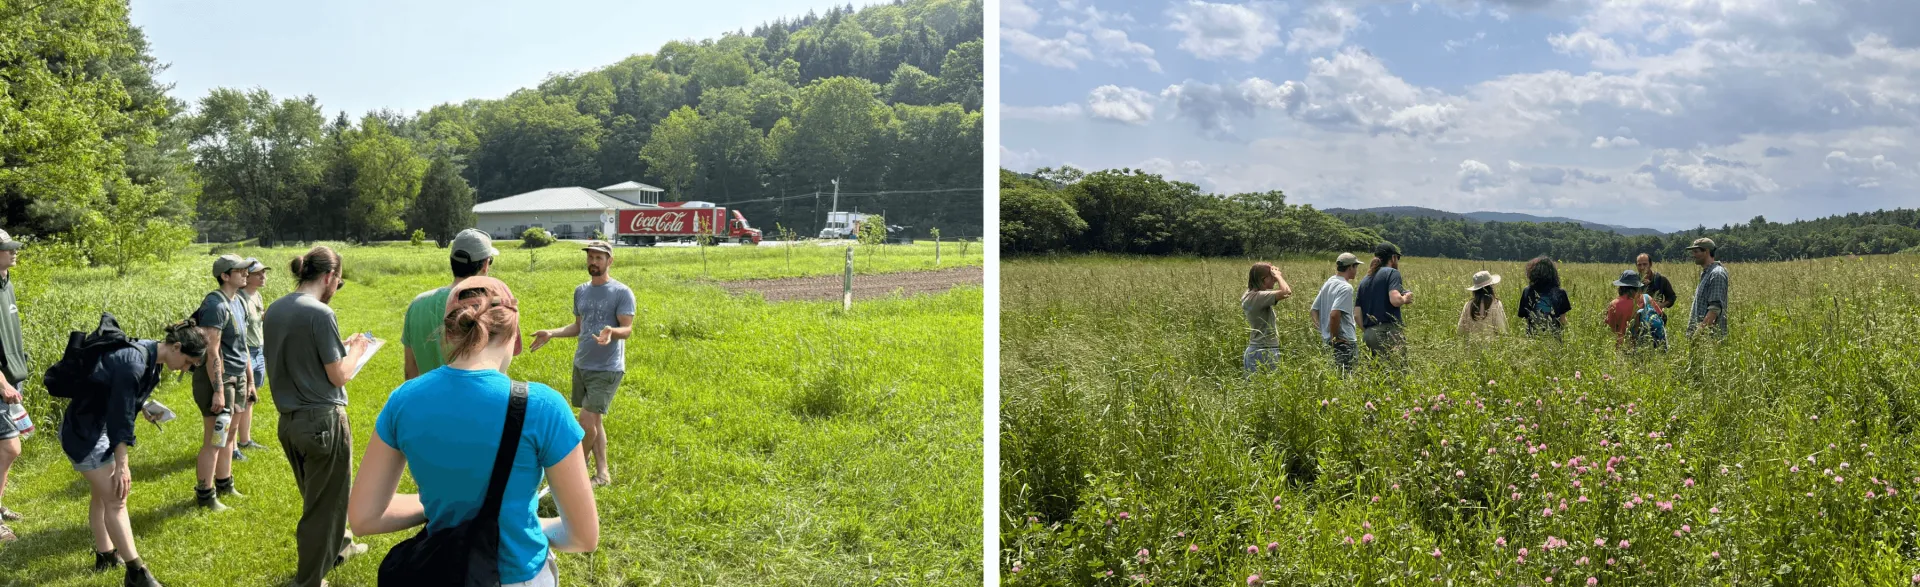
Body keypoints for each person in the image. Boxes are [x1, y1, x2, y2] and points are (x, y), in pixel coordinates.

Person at [349, 276, 600, 587]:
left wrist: (442, 502)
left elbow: (363, 517)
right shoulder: (545, 406)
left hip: (442, 571)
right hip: (518, 576)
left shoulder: (403, 400)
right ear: (515, 335)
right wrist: (531, 523)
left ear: (447, 335)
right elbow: (583, 536)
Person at [61, 320, 208, 586]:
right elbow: (120, 417)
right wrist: (122, 464)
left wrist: (142, 406)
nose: (185, 370)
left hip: (95, 424)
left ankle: (105, 556)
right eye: (188, 362)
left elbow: (119, 395)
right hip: (86, 432)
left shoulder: (149, 355)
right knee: (117, 497)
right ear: (176, 347)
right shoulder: (135, 363)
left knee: (101, 494)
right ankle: (136, 573)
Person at [264, 246, 375, 587]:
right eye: (338, 284)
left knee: (322, 497)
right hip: (323, 421)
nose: (335, 290)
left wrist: (337, 347)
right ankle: (309, 580)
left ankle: (341, 545)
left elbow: (299, 355)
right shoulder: (320, 314)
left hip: (291, 421)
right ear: (329, 277)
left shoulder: (275, 309)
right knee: (321, 508)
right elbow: (339, 375)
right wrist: (356, 349)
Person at [529, 241, 634, 487]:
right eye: (591, 257)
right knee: (594, 421)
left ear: (610, 261)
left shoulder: (621, 292)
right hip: (582, 364)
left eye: (599, 258)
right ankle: (602, 474)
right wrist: (552, 333)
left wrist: (611, 331)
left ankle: (574, 470)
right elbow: (578, 327)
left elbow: (627, 329)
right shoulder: (581, 291)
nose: (593, 262)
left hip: (607, 367)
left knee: (585, 422)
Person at [191, 254, 255, 510]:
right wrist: (218, 391)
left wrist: (249, 380)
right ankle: (205, 495)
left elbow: (243, 345)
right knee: (215, 439)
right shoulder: (215, 306)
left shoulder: (238, 300)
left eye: (245, 269)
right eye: (239, 270)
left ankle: (225, 484)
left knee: (229, 437)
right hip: (220, 381)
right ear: (225, 276)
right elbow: (212, 351)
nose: (245, 273)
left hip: (238, 378)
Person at [404, 229, 498, 381]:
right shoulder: (490, 307)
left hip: (427, 401)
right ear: (485, 265)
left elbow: (410, 370)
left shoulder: (417, 304)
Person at [0, 229, 28, 543]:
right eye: (7, 249)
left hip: (11, 377)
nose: (14, 251)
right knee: (9, 447)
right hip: (1, 382)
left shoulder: (6, 283)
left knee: (4, 448)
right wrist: (3, 383)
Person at [233, 258, 271, 459]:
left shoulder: (257, 296)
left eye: (264, 273)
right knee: (238, 400)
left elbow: (259, 319)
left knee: (250, 398)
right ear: (247, 277)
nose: (263, 276)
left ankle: (245, 440)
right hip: (246, 353)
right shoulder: (238, 299)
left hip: (259, 350)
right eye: (259, 274)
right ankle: (232, 448)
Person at [1355, 242, 1413, 363]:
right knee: (1397, 371)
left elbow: (1356, 314)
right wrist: (1406, 298)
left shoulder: (1364, 280)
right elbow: (1395, 300)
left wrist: (1367, 331)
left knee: (1377, 373)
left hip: (1369, 334)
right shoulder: (1392, 273)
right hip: (1388, 332)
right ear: (1393, 258)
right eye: (1398, 258)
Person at [1308, 253, 1361, 373]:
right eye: (1356, 266)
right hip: (1344, 341)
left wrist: (1323, 330)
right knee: (1346, 378)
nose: (1356, 270)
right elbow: (1334, 314)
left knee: (1333, 377)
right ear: (1350, 267)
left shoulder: (1330, 282)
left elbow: (1314, 310)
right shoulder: (1346, 287)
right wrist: (1335, 338)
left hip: (1327, 341)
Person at [1239, 262, 1293, 374]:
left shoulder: (1250, 295)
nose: (1274, 280)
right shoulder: (1258, 297)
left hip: (1257, 349)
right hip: (1264, 350)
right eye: (1271, 277)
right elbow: (1286, 292)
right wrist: (1279, 276)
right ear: (1264, 279)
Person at [1516, 256, 1572, 338]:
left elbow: (1526, 317)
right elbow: (1562, 321)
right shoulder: (1560, 293)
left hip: (1532, 339)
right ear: (1553, 273)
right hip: (1554, 340)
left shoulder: (1527, 291)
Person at [1686, 238, 1730, 339]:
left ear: (1706, 251)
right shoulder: (1707, 273)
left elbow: (1714, 309)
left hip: (1709, 340)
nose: (1693, 255)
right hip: (1701, 339)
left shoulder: (1717, 274)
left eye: (1696, 251)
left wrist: (1697, 336)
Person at [1457, 270, 1508, 337]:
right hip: (1492, 346)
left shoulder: (1468, 305)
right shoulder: (1496, 304)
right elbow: (1501, 329)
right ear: (1490, 287)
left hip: (1472, 345)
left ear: (1475, 290)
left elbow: (1460, 330)